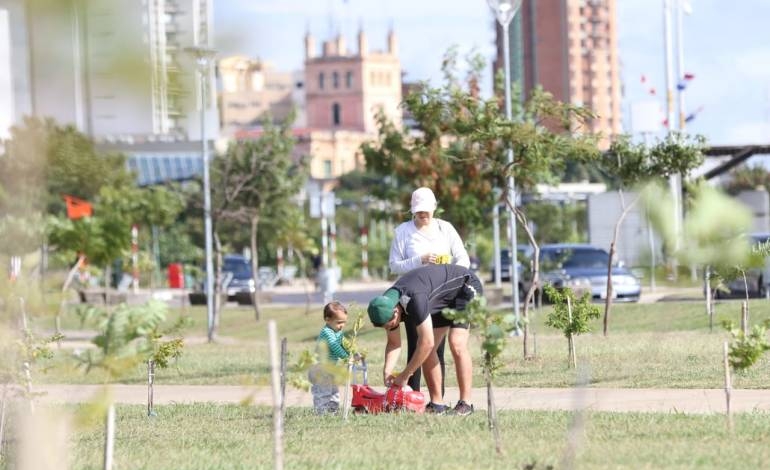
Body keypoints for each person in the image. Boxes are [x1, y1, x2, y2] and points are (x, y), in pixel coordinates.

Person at [367, 264, 482, 416]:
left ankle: (465, 404)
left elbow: (426, 343)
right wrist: (387, 371)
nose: (391, 328)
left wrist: (405, 375)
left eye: (390, 325)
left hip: (465, 287)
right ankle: (437, 404)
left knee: (456, 343)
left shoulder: (415, 299)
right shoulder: (384, 304)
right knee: (428, 352)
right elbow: (394, 343)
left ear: (395, 311)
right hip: (441, 297)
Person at [389, 186, 470, 396]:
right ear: (412, 210)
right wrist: (420, 260)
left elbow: (463, 257)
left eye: (426, 210)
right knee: (417, 346)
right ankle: (410, 394)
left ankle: (437, 398)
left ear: (434, 207)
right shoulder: (403, 232)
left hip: (442, 294)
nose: (422, 215)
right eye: (418, 211)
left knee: (436, 349)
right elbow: (394, 265)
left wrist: (451, 271)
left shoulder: (446, 228)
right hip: (414, 295)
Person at [308, 301, 350, 414]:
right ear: (327, 319)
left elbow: (344, 344)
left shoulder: (338, 332)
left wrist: (352, 352)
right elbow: (334, 345)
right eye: (339, 322)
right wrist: (346, 356)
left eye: (344, 322)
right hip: (320, 368)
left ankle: (332, 412)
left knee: (333, 392)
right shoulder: (327, 332)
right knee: (323, 392)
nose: (342, 325)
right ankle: (321, 413)